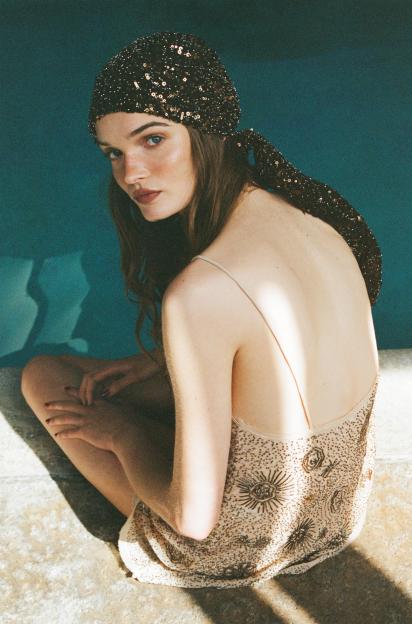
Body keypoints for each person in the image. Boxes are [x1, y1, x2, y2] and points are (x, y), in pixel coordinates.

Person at [20, 31, 382, 588]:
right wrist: (164, 363)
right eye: (114, 153)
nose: (131, 174)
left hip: (242, 545)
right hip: (335, 514)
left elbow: (194, 521)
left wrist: (122, 435)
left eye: (153, 139)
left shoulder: (201, 292)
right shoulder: (314, 217)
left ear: (205, 132)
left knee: (46, 375)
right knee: (111, 383)